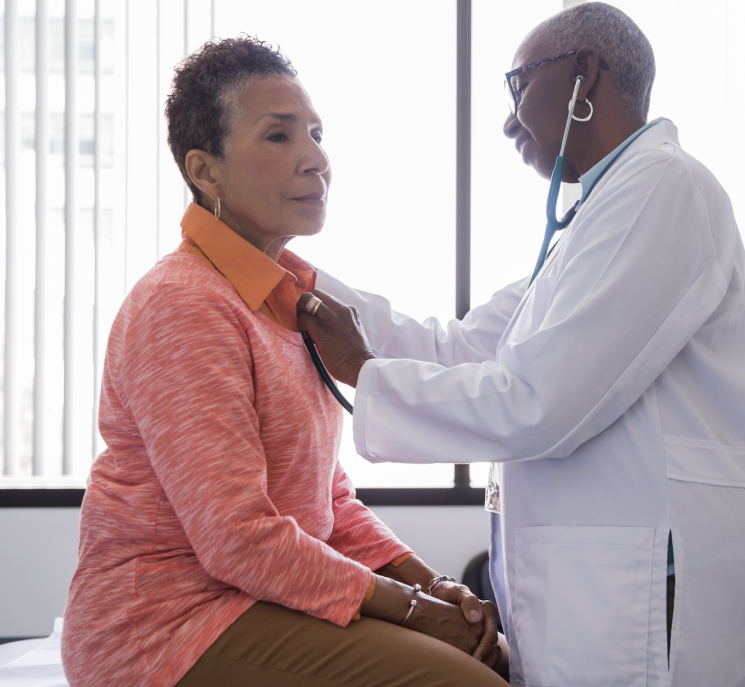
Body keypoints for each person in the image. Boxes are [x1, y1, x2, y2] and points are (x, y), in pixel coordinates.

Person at [296, 4, 745, 686]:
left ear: (585, 75)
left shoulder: (664, 187)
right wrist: (300, 284)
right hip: (604, 577)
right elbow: (460, 345)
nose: (506, 119)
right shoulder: (598, 221)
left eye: (519, 85)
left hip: (652, 579)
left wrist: (364, 371)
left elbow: (539, 399)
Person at [60, 37, 508, 687]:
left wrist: (433, 586)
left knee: (487, 655)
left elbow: (329, 500)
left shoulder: (290, 301)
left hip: (255, 600)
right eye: (278, 137)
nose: (317, 159)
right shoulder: (182, 304)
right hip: (163, 627)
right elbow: (239, 538)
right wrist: (414, 611)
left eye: (317, 134)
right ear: (205, 170)